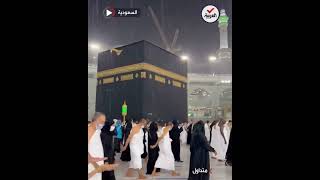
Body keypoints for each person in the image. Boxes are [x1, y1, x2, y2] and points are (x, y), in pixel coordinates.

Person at [88, 112, 112, 180]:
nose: (103, 124)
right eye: (102, 121)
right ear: (96, 120)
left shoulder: (98, 130)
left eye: (104, 122)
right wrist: (95, 164)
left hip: (98, 163)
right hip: (92, 164)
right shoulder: (89, 130)